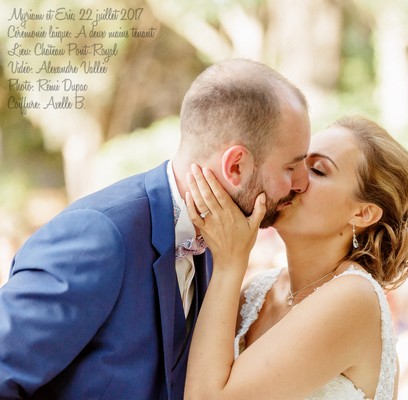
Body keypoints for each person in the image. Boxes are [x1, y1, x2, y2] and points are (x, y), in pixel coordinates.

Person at [0, 59, 310, 399]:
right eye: (291, 166)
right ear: (235, 166)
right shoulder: (99, 234)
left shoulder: (219, 244)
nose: (301, 183)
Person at [183, 116, 408, 399]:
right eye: (296, 163)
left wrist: (229, 264)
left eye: (318, 170)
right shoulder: (258, 291)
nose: (296, 179)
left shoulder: (354, 298)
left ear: (362, 214)